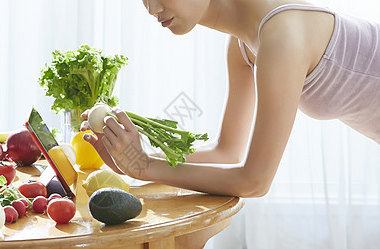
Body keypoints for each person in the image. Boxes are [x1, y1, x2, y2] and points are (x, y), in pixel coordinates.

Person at [81, 0, 380, 197]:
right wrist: (133, 157)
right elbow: (227, 151)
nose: (150, 7)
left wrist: (144, 167)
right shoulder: (244, 44)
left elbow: (255, 181)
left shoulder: (282, 36)